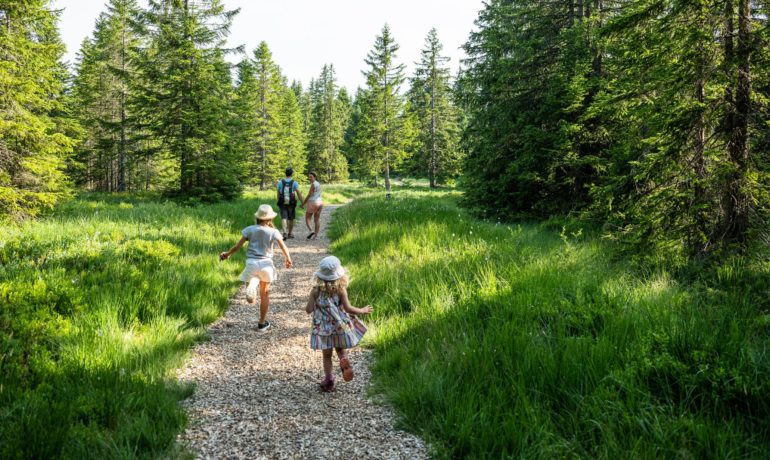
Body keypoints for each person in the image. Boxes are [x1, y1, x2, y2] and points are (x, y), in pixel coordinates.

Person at [220, 204, 292, 333]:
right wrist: (288, 258)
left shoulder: (249, 230)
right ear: (270, 219)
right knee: (264, 294)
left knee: (252, 294)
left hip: (252, 263)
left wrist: (227, 254)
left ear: (257, 217)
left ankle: (253, 284)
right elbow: (283, 246)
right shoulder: (273, 232)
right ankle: (262, 323)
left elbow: (237, 247)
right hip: (266, 265)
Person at [305, 256, 372, 392]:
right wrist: (362, 310)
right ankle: (344, 359)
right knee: (340, 349)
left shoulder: (316, 291)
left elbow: (308, 310)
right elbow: (348, 308)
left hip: (323, 329)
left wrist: (314, 304)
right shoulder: (341, 289)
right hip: (339, 326)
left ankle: (329, 380)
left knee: (327, 355)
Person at [276, 167, 303, 240]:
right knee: (291, 218)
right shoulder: (294, 183)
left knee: (284, 218)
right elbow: (298, 193)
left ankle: (284, 232)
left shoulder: (280, 182)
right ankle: (290, 233)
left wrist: (278, 201)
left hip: (282, 202)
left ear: (285, 173)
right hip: (291, 203)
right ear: (292, 174)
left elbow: (278, 193)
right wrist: (302, 202)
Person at [301, 172, 323, 240]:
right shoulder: (318, 184)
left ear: (315, 177)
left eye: (311, 177)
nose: (309, 178)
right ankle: (316, 236)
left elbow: (309, 195)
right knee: (317, 220)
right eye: (309, 177)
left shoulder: (313, 185)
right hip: (320, 202)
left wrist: (303, 204)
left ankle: (311, 231)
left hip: (313, 202)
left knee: (307, 218)